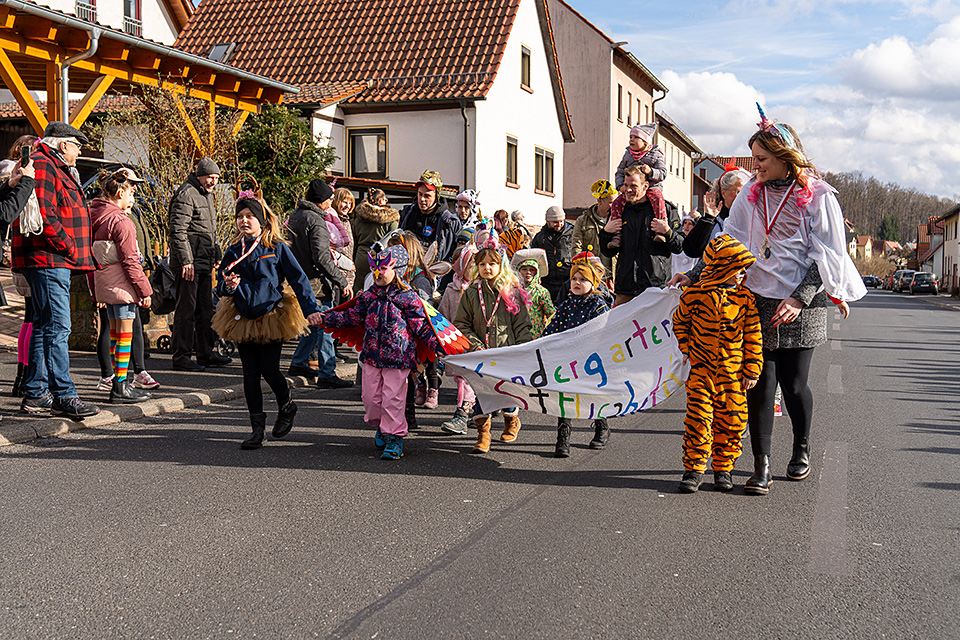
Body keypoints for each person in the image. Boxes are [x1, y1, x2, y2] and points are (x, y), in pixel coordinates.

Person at [670, 104, 866, 494]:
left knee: (794, 385)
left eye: (761, 158)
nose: (755, 165)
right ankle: (761, 465)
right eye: (754, 158)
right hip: (757, 298)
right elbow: (727, 243)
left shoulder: (818, 196)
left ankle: (801, 448)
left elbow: (828, 255)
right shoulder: (750, 193)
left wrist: (799, 298)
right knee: (759, 382)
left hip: (801, 304)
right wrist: (694, 275)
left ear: (783, 156)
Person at [212, 195, 323, 450]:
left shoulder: (276, 247)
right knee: (250, 374)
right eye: (240, 217)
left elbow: (298, 279)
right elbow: (220, 286)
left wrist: (311, 310)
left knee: (270, 370)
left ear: (261, 221)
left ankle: (287, 405)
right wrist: (228, 286)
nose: (244, 221)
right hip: (242, 316)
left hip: (272, 315)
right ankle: (257, 430)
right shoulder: (233, 250)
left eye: (249, 217)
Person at [320, 244, 445, 460]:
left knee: (392, 400)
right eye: (374, 269)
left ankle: (394, 437)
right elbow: (351, 315)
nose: (377, 273)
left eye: (383, 268)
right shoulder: (369, 296)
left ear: (398, 270)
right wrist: (324, 318)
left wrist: (438, 346)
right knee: (371, 400)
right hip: (371, 357)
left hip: (398, 359)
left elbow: (422, 326)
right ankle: (382, 426)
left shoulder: (408, 297)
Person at [11, 122, 99, 418]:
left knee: (42, 325)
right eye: (77, 146)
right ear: (63, 144)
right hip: (50, 259)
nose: (79, 151)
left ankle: (36, 393)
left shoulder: (47, 164)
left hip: (50, 258)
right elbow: (45, 213)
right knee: (58, 328)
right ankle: (64, 395)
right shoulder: (46, 165)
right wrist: (69, 246)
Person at [672, 234, 763, 493]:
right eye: (737, 269)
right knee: (698, 419)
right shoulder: (694, 295)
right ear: (722, 267)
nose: (741, 275)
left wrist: (752, 369)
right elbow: (680, 322)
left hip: (734, 375)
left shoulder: (745, 298)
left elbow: (753, 335)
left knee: (732, 421)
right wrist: (686, 348)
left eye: (743, 270)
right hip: (701, 372)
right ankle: (694, 469)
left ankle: (723, 468)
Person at [453, 227, 533, 453]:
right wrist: (475, 344)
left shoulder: (511, 293)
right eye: (482, 264)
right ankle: (483, 433)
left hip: (507, 354)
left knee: (507, 394)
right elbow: (462, 324)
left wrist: (522, 350)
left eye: (492, 264)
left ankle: (511, 421)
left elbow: (522, 325)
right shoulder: (471, 293)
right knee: (483, 395)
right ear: (476, 267)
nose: (487, 268)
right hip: (481, 355)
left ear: (501, 266)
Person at [89, 168, 154, 404]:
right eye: (131, 192)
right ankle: (121, 385)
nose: (133, 195)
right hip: (123, 286)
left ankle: (118, 382)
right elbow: (130, 261)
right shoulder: (121, 221)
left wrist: (94, 289)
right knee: (125, 335)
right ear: (119, 194)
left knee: (115, 335)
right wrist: (145, 291)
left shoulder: (94, 217)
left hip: (105, 284)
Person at [543, 252, 611, 457]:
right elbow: (552, 329)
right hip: (568, 359)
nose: (577, 282)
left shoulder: (599, 305)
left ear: (593, 283)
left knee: (592, 394)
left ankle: (601, 427)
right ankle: (563, 437)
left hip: (591, 360)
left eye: (583, 279)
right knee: (565, 397)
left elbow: (602, 332)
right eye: (574, 278)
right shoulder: (566, 305)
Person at [286, 179, 353, 388]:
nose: (331, 203)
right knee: (326, 325)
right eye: (329, 199)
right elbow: (322, 258)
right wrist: (341, 280)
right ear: (321, 200)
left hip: (300, 278)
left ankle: (298, 363)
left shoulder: (295, 216)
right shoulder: (316, 221)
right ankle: (327, 373)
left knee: (313, 324)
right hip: (317, 282)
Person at [168, 158, 231, 371]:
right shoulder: (186, 195)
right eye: (210, 177)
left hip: (203, 262)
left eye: (216, 178)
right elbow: (178, 231)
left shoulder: (205, 195)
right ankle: (181, 356)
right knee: (186, 311)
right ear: (200, 175)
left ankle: (206, 353)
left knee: (205, 310)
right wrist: (186, 261)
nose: (213, 182)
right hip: (189, 264)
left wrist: (217, 252)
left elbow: (209, 230)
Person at [599, 166, 683, 307]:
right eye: (626, 185)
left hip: (655, 287)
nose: (628, 190)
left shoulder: (665, 209)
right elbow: (607, 252)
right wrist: (606, 232)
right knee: (623, 322)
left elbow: (680, 246)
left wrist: (667, 232)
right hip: (626, 288)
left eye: (633, 186)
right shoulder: (618, 210)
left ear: (645, 186)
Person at [1, 135, 37, 398]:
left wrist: (11, 184)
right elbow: (5, 213)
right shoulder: (31, 179)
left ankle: (23, 378)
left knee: (29, 319)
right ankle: (28, 380)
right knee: (35, 320)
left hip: (20, 258)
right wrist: (25, 182)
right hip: (32, 257)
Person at [438, 242, 478, 435]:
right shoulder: (451, 290)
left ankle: (463, 414)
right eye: (471, 265)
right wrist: (442, 340)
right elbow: (443, 315)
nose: (476, 269)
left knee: (470, 379)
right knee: (463, 379)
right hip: (457, 343)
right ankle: (470, 411)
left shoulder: (482, 290)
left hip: (477, 343)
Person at [611, 122, 668, 245]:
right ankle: (616, 234)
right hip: (631, 189)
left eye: (636, 137)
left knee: (658, 199)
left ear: (645, 141)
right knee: (616, 203)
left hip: (651, 187)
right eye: (630, 137)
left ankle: (660, 229)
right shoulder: (628, 155)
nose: (631, 140)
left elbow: (663, 173)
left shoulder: (655, 154)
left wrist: (650, 171)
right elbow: (620, 172)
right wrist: (621, 186)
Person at [683, 165, 751, 259]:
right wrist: (708, 219)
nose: (743, 197)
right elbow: (691, 250)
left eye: (745, 192)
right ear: (723, 193)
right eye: (738, 192)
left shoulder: (750, 218)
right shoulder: (714, 219)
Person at [398, 170, 462, 262]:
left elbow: (456, 253)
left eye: (427, 196)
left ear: (436, 197)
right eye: (420, 194)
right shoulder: (407, 213)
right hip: (408, 267)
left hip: (435, 269)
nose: (422, 199)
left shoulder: (449, 222)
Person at [572, 179, 617, 287]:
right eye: (611, 202)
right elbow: (576, 248)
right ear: (600, 202)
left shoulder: (618, 220)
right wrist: (582, 272)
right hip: (590, 277)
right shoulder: (583, 221)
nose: (614, 206)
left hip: (612, 278)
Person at [352, 188, 399, 286]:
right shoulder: (390, 219)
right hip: (380, 260)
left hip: (361, 257)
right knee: (377, 288)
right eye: (385, 199)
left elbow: (354, 240)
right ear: (381, 201)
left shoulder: (359, 217)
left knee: (359, 287)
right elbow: (393, 242)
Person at [531, 205, 573, 301]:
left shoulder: (572, 233)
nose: (559, 224)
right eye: (555, 222)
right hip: (547, 282)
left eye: (561, 221)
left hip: (567, 281)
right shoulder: (540, 237)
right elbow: (534, 259)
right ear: (547, 221)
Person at [510, 248, 554, 339]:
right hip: (517, 335)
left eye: (532, 270)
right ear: (518, 271)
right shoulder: (512, 291)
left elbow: (551, 314)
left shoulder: (541, 291)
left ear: (536, 272)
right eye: (524, 269)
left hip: (536, 336)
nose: (528, 272)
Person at [671, 211, 701, 277]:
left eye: (690, 224)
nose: (686, 226)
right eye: (685, 223)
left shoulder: (698, 244)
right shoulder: (677, 241)